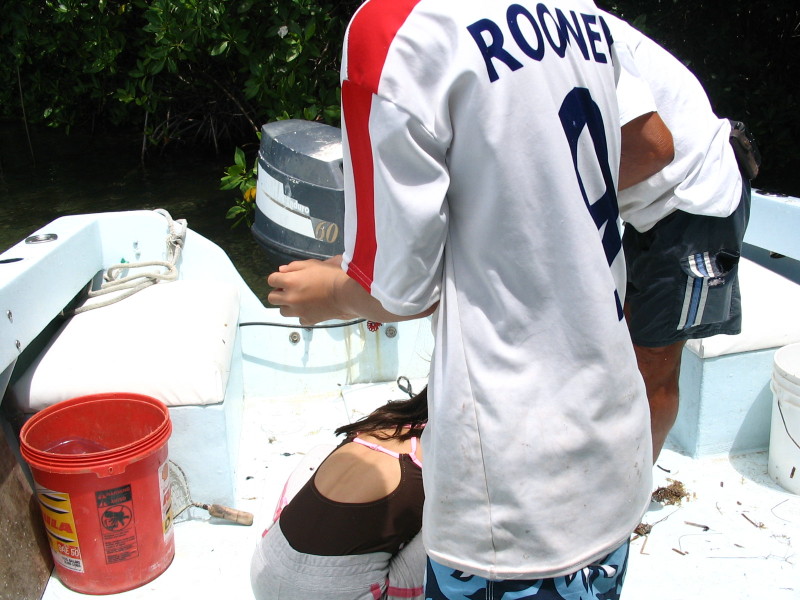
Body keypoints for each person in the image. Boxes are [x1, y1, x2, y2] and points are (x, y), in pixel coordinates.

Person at [268, 1, 674, 597]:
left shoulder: (396, 29)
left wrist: (326, 291)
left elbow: (401, 293)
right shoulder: (580, 11)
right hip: (614, 446)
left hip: (510, 499)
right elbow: (650, 144)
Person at [607, 13, 754, 461]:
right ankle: (615, 470)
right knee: (622, 348)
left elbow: (653, 149)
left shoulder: (585, 35)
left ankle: (633, 489)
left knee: (654, 363)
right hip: (647, 208)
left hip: (694, 201)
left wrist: (567, 204)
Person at [250, 388, 428, 600]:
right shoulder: (439, 450)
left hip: (265, 567)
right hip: (338, 594)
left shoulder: (383, 419)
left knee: (320, 452)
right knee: (452, 516)